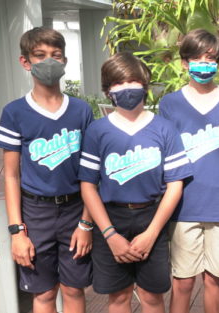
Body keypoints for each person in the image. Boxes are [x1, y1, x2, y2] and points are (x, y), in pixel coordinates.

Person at [78, 52, 192, 313]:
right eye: (118, 83)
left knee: (152, 297)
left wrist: (152, 233)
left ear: (145, 86)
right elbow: (88, 186)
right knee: (118, 297)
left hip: (151, 216)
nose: (127, 88)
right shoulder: (97, 131)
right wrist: (109, 235)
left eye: (133, 81)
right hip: (110, 219)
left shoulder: (164, 129)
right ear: (108, 91)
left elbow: (175, 185)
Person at [0, 27, 93, 313]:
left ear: (64, 61)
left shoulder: (81, 110)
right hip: (36, 213)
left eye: (55, 55)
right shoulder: (15, 112)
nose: (48, 61)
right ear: (25, 61)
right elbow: (11, 176)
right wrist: (17, 232)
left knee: (74, 288)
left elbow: (90, 173)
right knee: (45, 292)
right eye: (40, 55)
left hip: (75, 209)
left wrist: (86, 223)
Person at [158, 29, 219, 313]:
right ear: (184, 62)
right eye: (197, 57)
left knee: (214, 279)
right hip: (183, 208)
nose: (204, 63)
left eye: (211, 57)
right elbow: (165, 160)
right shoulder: (169, 104)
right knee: (183, 282)